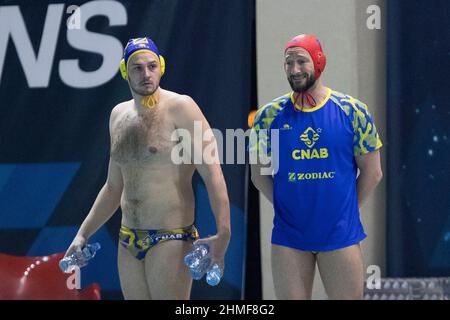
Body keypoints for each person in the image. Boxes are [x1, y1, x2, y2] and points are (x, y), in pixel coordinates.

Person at [64, 37, 231, 299]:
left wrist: (224, 233)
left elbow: (213, 174)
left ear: (161, 67)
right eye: (137, 68)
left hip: (171, 237)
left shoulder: (181, 108)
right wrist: (82, 234)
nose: (146, 74)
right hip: (128, 238)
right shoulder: (118, 115)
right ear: (124, 71)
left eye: (152, 66)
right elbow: (113, 187)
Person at [250, 34, 383, 300]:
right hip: (290, 236)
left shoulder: (352, 111)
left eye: (302, 61)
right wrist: (285, 206)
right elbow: (257, 174)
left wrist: (345, 210)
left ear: (319, 62)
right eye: (289, 63)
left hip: (340, 234)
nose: (295, 69)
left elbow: (373, 172)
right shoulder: (268, 116)